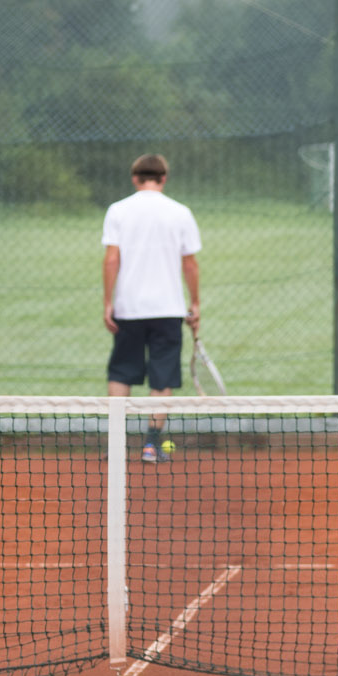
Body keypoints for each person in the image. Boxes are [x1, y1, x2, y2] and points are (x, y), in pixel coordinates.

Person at [102, 153, 201, 463]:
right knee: (163, 379)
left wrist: (108, 302)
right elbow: (190, 263)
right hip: (168, 310)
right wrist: (195, 303)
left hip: (128, 309)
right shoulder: (181, 212)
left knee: (121, 373)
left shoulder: (117, 210)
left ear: (135, 178)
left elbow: (111, 259)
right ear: (163, 178)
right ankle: (151, 446)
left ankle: (116, 446)